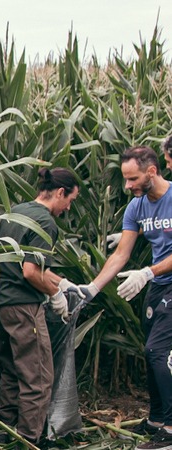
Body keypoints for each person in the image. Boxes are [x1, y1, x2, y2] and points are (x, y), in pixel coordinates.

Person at [75, 147, 172, 449]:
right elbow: (121, 254)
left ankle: (169, 430)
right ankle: (157, 418)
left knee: (159, 352)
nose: (127, 186)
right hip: (158, 285)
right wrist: (91, 288)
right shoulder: (137, 208)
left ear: (152, 172)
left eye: (132, 179)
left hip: (164, 281)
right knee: (148, 351)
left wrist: (147, 273)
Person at [0, 167, 79, 445]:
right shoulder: (45, 222)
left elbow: (21, 263)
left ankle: (4, 431)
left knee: (12, 372)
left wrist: (62, 283)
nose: (68, 208)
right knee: (37, 377)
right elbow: (30, 272)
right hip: (24, 306)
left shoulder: (17, 211)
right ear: (60, 193)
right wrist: (55, 294)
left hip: (0, 302)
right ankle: (29, 439)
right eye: (70, 200)